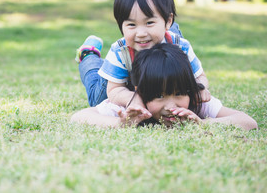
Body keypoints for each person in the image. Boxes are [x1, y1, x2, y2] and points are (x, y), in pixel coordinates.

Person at [75, 0, 210, 122]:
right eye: (132, 25)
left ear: (168, 21)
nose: (141, 33)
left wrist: (200, 88)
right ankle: (89, 54)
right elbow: (114, 90)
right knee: (97, 100)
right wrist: (133, 98)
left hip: (157, 64)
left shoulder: (180, 47)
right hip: (123, 81)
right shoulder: (120, 52)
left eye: (149, 22)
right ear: (121, 26)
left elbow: (199, 76)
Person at [71, 44, 258, 131]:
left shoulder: (195, 102)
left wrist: (203, 124)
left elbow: (248, 122)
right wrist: (120, 124)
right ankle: (88, 54)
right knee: (94, 81)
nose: (170, 105)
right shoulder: (135, 106)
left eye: (178, 93)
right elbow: (78, 117)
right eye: (159, 95)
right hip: (108, 77)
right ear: (141, 93)